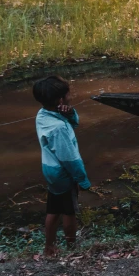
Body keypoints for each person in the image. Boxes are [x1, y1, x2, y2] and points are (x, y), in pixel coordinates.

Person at [33, 76, 92, 257]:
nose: (71, 96)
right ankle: (72, 247)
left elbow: (74, 122)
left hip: (50, 170)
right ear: (61, 99)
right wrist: (82, 179)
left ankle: (49, 247)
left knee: (53, 208)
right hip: (62, 173)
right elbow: (70, 158)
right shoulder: (58, 128)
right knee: (69, 211)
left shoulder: (42, 115)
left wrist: (69, 112)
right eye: (69, 94)